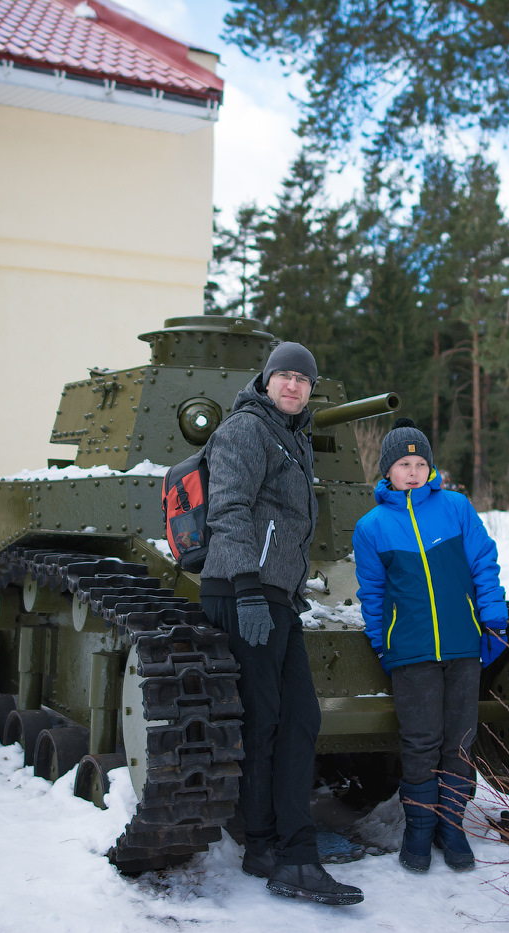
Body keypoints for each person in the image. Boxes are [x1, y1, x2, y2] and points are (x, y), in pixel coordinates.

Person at [199, 341, 363, 906]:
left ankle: (281, 847)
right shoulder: (246, 429)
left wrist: (278, 592)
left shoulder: (291, 436)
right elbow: (228, 508)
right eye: (285, 376)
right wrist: (247, 589)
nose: (294, 386)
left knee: (297, 719)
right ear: (266, 380)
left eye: (303, 380)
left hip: (276, 597)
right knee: (267, 720)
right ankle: (277, 850)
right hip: (243, 592)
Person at [352, 418, 508, 872]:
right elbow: (372, 592)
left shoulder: (456, 508)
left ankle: (451, 826)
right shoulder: (372, 526)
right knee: (420, 743)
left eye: (421, 463)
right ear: (388, 471)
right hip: (412, 651)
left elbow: (483, 562)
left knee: (459, 742)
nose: (414, 471)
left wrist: (493, 619)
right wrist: (384, 643)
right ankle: (419, 830)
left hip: (462, 645)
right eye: (404, 463)